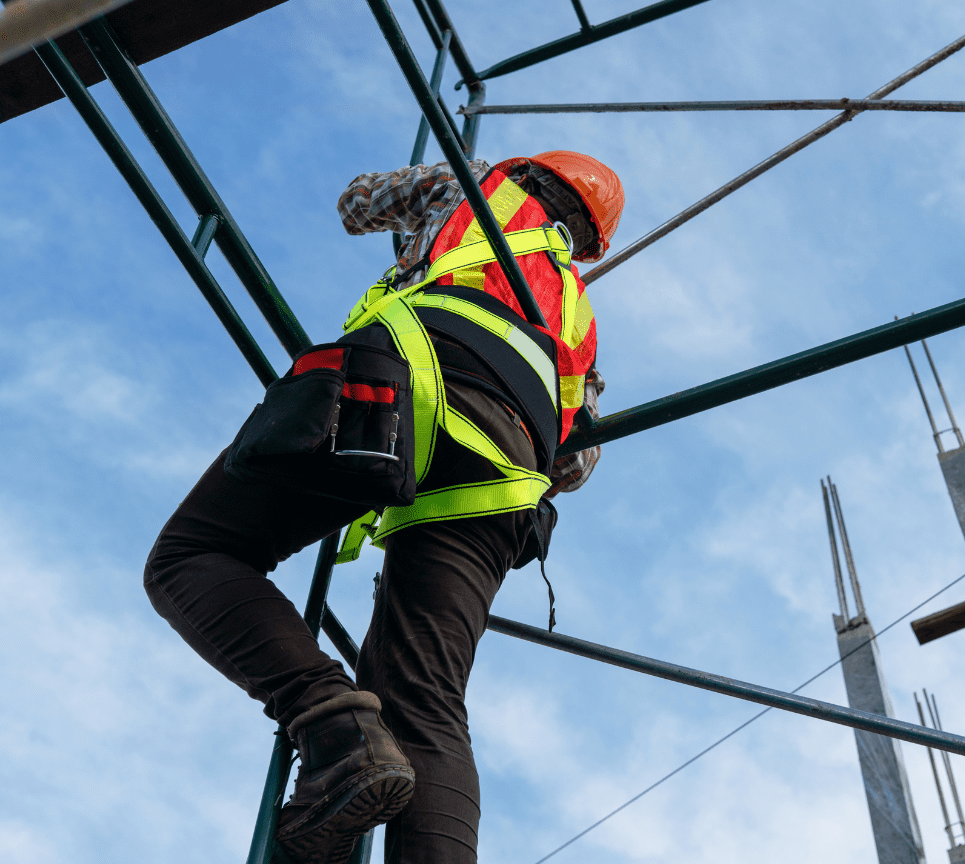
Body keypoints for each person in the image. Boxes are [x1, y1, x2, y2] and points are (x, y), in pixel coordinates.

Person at [143, 152, 623, 864]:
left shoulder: (473, 185)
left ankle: (336, 727)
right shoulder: (577, 319)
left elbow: (355, 203)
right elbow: (577, 462)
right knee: (427, 699)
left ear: (532, 173)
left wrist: (414, 246)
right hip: (502, 479)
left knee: (190, 557)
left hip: (401, 397)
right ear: (587, 240)